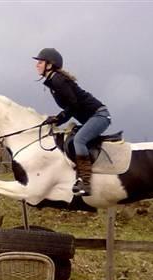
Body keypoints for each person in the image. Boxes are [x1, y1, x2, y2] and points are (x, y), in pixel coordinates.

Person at [33, 48, 111, 197]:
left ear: (49, 65)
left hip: (99, 116)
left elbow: (73, 105)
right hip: (92, 118)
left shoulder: (57, 80)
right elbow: (72, 107)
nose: (37, 65)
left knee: (79, 141)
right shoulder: (54, 81)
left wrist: (59, 117)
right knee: (71, 138)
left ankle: (86, 183)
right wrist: (57, 118)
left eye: (40, 62)